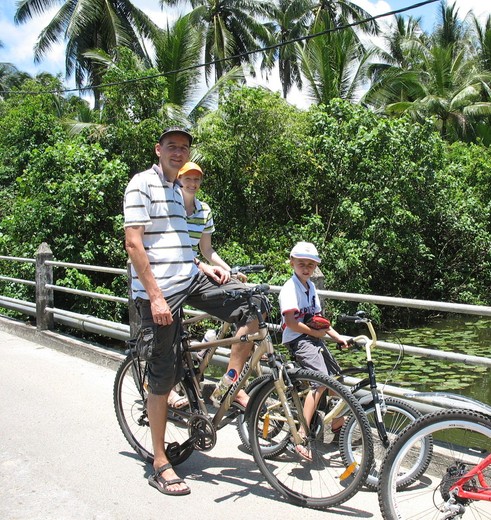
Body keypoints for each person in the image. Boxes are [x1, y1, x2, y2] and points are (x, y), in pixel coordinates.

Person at [123, 127, 267, 496]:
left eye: (183, 148)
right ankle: (160, 461)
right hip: (160, 292)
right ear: (158, 150)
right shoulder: (142, 184)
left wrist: (207, 267)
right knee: (162, 373)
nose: (177, 152)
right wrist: (155, 298)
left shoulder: (178, 191)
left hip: (191, 279)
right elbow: (134, 244)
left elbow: (183, 245)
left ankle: (229, 384)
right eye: (171, 146)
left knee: (254, 304)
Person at [167, 161, 246, 410]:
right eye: (187, 178)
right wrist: (204, 266)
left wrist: (229, 270)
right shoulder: (171, 206)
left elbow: (207, 249)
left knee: (252, 302)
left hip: (195, 274)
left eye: (196, 179)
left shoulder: (204, 211)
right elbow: (173, 247)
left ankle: (230, 385)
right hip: (170, 274)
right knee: (168, 330)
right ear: (179, 179)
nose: (192, 183)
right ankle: (164, 389)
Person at [278, 241, 348, 461]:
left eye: (310, 264)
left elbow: (318, 322)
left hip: (311, 336)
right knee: (320, 382)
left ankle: (338, 427)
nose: (306, 268)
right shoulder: (290, 289)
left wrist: (338, 337)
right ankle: (300, 435)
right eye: (301, 263)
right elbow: (290, 322)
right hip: (297, 339)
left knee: (337, 380)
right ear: (292, 263)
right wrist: (316, 334)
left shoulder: (311, 287)